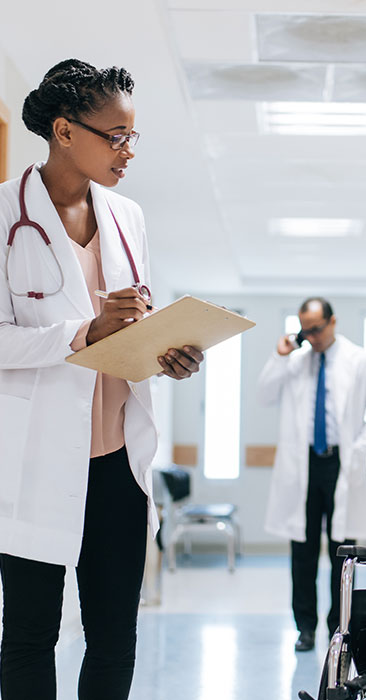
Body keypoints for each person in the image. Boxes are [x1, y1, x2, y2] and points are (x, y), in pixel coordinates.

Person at [0, 59, 203, 700]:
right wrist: (83, 332)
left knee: (115, 637)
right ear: (64, 131)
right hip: (33, 459)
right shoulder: (5, 215)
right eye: (115, 137)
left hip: (116, 460)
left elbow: (130, 324)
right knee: (30, 635)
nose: (128, 152)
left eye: (132, 137)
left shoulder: (128, 216)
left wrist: (164, 351)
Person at [257, 297, 366, 651]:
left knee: (339, 551)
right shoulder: (295, 362)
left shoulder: (361, 361)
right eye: (306, 330)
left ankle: (337, 627)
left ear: (333, 322)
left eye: (316, 329)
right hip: (302, 466)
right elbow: (264, 394)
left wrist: (358, 451)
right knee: (302, 548)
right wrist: (280, 354)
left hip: (341, 464)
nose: (311, 337)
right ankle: (305, 628)